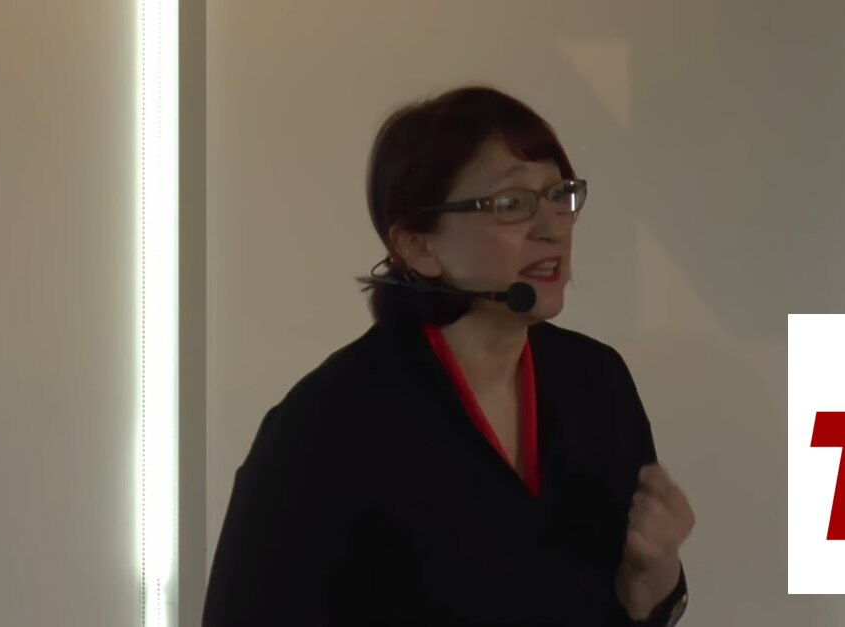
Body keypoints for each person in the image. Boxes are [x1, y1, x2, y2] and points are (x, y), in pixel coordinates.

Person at [202, 85, 695, 626]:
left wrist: (652, 584)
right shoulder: (327, 425)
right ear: (418, 245)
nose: (552, 227)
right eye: (512, 203)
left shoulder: (597, 384)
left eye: (559, 194)